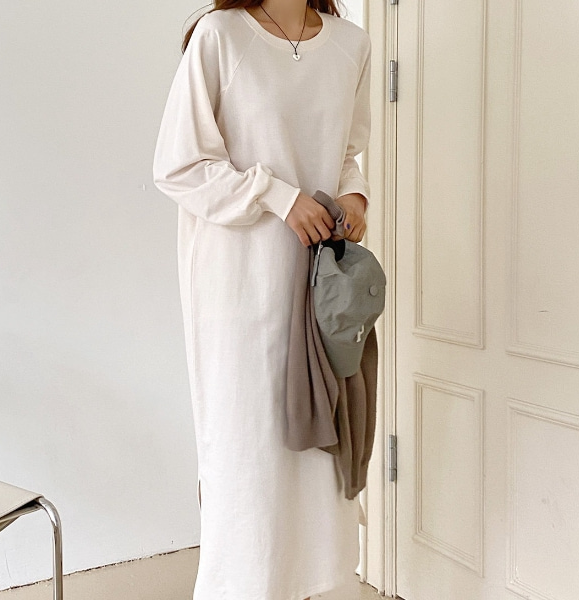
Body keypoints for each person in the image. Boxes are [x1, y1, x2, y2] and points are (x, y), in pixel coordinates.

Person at [153, 1, 371, 598]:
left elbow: (348, 155)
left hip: (319, 284)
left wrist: (355, 198)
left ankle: (315, 583)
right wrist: (277, 196)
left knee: (320, 439)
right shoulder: (220, 36)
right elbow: (178, 164)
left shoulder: (351, 44)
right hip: (239, 284)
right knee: (246, 444)